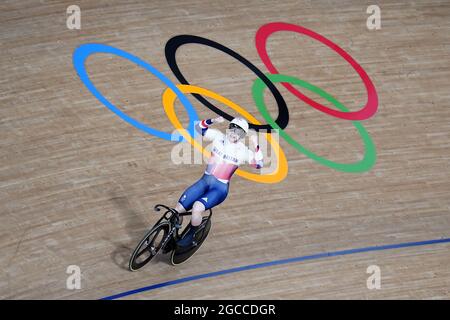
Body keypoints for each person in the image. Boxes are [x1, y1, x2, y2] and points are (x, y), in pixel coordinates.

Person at [174, 116, 264, 247]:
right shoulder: (218, 137)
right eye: (233, 129)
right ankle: (172, 232)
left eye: (238, 132)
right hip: (204, 182)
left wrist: (256, 144)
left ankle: (191, 235)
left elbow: (259, 164)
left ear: (242, 135)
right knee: (177, 210)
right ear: (229, 129)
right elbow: (198, 128)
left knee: (197, 208)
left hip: (219, 189)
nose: (234, 133)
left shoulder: (243, 151)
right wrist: (213, 121)